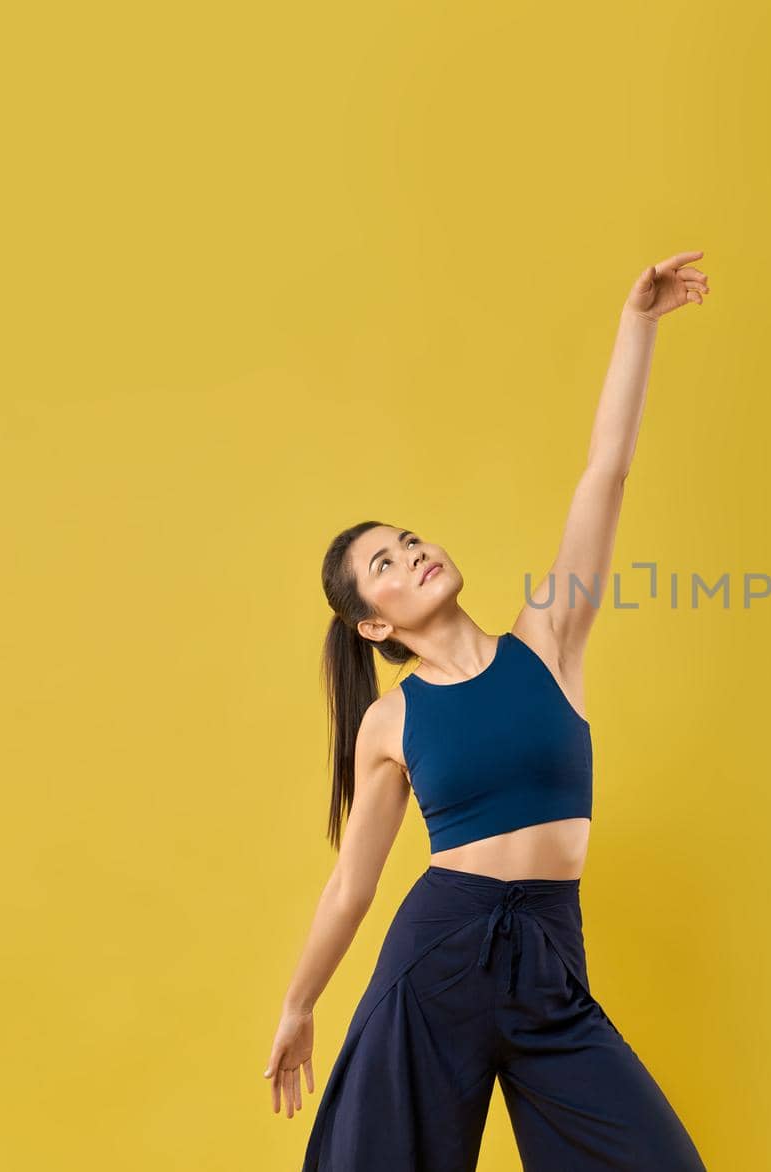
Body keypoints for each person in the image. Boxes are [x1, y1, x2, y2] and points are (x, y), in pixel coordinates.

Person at [262, 252, 713, 1170]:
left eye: (409, 539)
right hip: (440, 958)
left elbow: (606, 474)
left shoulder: (548, 640)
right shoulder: (390, 724)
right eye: (384, 564)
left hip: (550, 955)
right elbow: (352, 887)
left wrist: (640, 324)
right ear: (373, 622)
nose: (412, 554)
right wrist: (298, 1005)